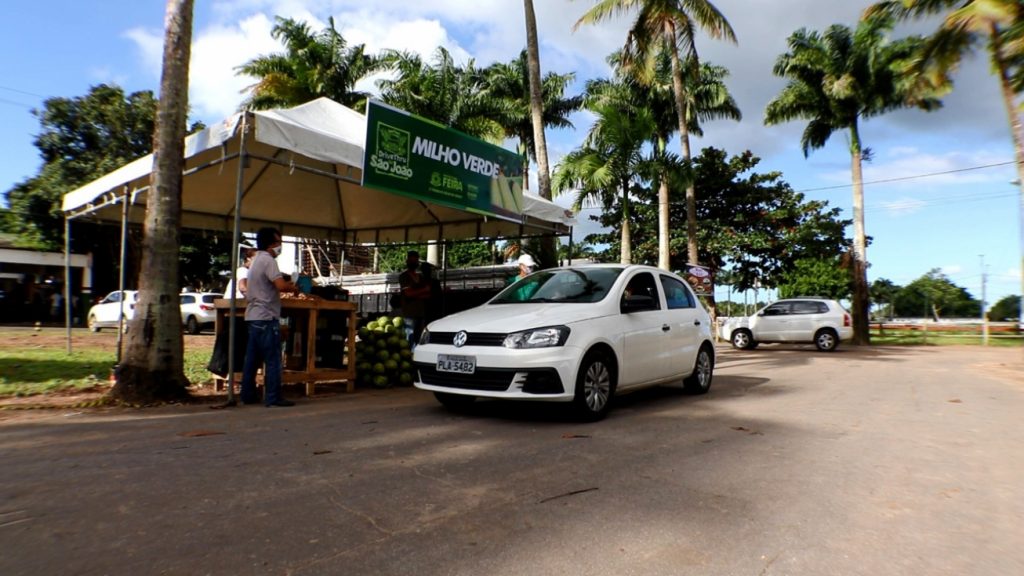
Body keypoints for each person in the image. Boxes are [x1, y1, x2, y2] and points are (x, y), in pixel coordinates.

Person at [240, 228, 299, 407]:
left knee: (252, 359)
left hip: (253, 316)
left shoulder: (255, 260)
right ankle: (273, 397)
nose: (279, 246)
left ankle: (247, 395)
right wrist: (293, 286)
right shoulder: (268, 260)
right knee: (273, 359)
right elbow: (280, 285)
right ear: (271, 244)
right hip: (266, 316)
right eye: (278, 242)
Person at [398, 250, 431, 345]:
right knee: (409, 337)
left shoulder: (420, 277)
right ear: (407, 262)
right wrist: (423, 290)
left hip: (420, 312)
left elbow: (428, 295)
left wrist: (416, 293)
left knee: (419, 338)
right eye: (412, 261)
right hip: (409, 313)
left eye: (415, 261)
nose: (414, 263)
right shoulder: (404, 276)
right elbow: (408, 294)